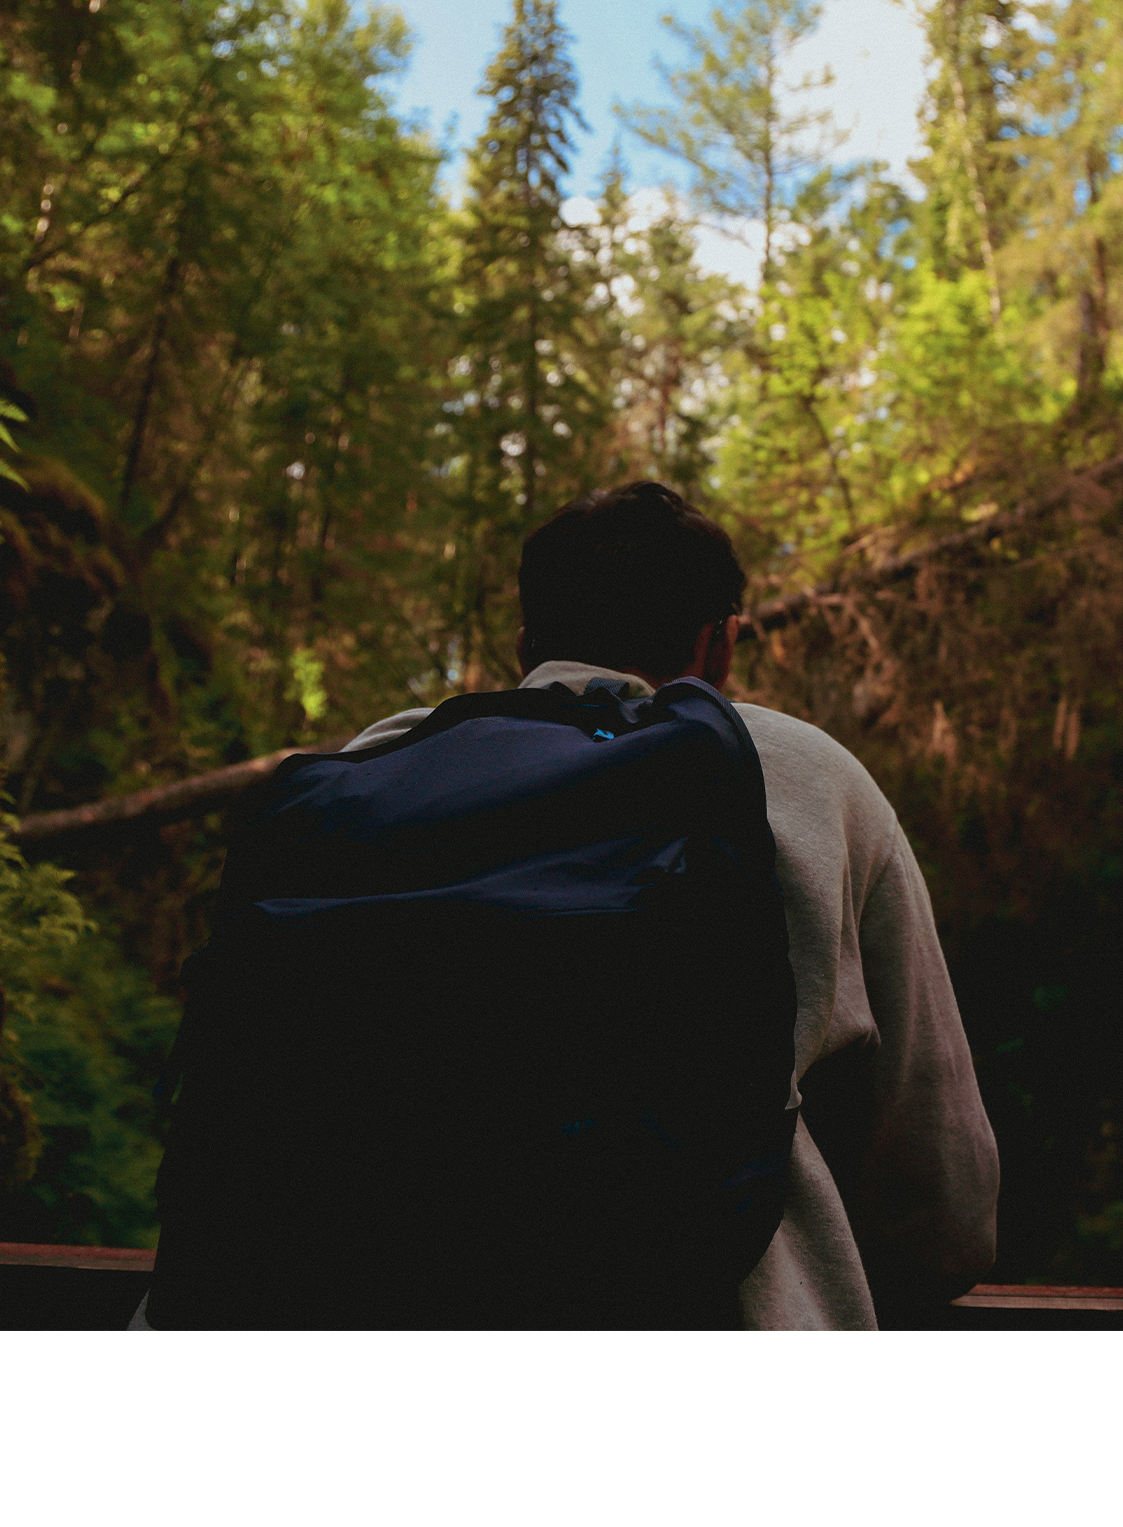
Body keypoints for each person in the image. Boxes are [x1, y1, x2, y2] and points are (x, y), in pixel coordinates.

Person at [338, 480, 998, 1330]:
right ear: (719, 648)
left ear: (526, 643)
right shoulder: (808, 776)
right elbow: (942, 1203)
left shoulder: (380, 764)